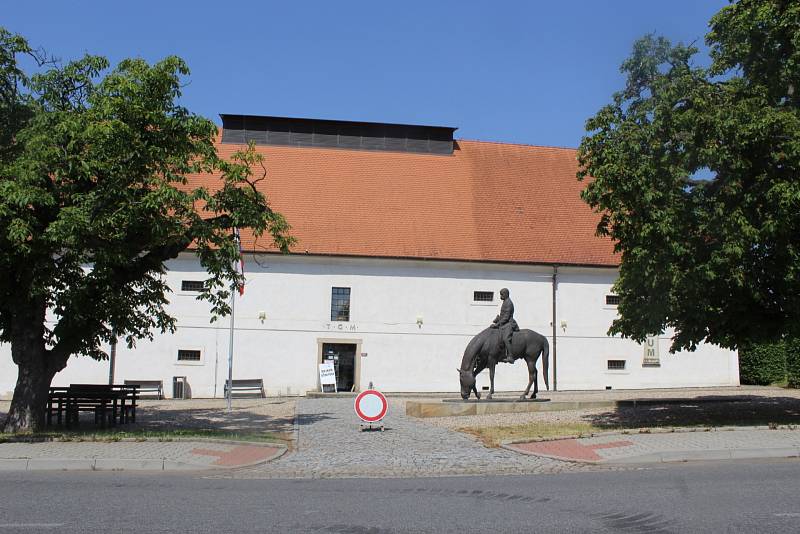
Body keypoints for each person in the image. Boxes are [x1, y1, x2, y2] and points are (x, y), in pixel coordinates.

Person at [491, 288, 518, 363]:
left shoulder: (509, 303)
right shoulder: (505, 302)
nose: (500, 296)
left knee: (506, 338)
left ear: (506, 294)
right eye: (500, 294)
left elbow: (506, 316)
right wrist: (498, 319)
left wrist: (497, 324)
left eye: (502, 294)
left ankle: (510, 356)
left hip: (509, 323)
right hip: (503, 323)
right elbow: (503, 315)